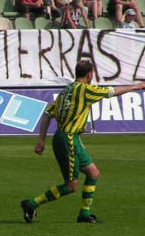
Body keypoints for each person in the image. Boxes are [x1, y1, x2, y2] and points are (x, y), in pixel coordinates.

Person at [20, 60, 145, 224]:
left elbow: (47, 113)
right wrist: (136, 86)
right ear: (89, 74)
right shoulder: (85, 90)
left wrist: (41, 140)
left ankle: (84, 214)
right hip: (68, 139)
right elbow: (112, 91)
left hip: (70, 138)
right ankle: (31, 204)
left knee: (93, 173)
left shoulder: (67, 91)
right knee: (70, 186)